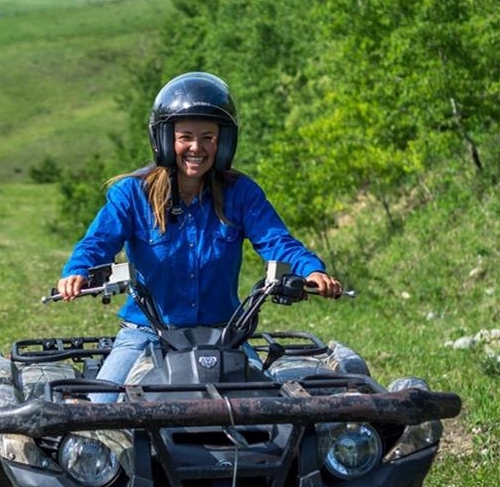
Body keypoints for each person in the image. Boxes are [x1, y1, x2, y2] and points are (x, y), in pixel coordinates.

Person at [56, 72, 342, 400]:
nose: (197, 147)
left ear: (223, 142)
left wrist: (310, 269)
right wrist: (77, 270)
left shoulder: (241, 193)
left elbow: (276, 240)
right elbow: (98, 242)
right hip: (147, 333)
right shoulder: (132, 193)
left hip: (223, 336)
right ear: (164, 139)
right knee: (101, 408)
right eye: (186, 137)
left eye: (208, 137)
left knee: (268, 407)